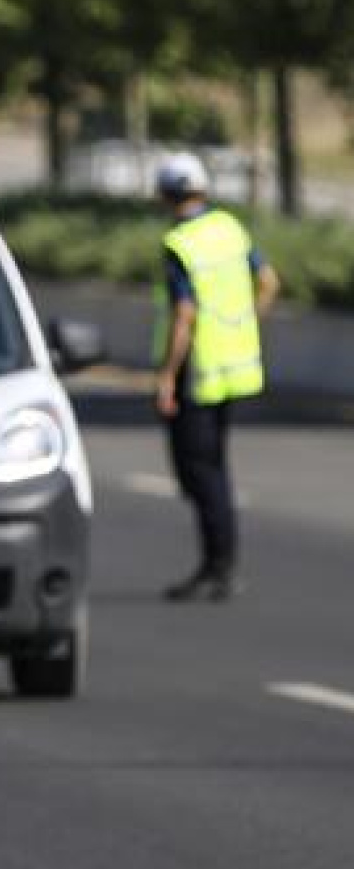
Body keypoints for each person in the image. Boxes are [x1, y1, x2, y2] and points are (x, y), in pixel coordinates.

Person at [153, 152, 279, 601]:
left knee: (201, 473)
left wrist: (167, 376)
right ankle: (219, 562)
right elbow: (269, 282)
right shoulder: (229, 228)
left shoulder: (181, 243)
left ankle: (218, 565)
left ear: (165, 195)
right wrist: (244, 325)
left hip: (199, 373)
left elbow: (183, 315)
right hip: (234, 368)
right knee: (215, 468)